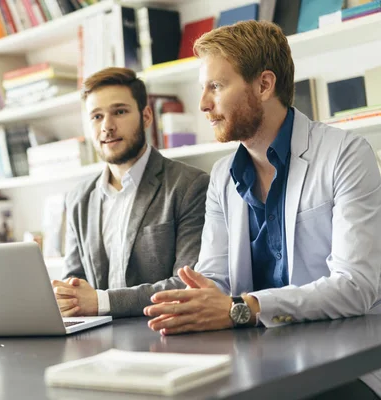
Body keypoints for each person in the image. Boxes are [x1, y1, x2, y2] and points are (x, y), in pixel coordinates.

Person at [143, 20, 381, 398]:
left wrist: (244, 307)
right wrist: (198, 298)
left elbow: (355, 288)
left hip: (343, 361)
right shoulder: (222, 176)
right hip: (254, 356)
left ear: (264, 85)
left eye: (216, 87)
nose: (204, 104)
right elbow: (216, 280)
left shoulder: (345, 155)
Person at [51, 67, 210, 318]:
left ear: (146, 116)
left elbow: (186, 285)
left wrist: (101, 302)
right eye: (96, 116)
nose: (107, 126)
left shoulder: (189, 185)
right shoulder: (79, 198)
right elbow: (74, 282)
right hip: (96, 342)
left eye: (120, 112)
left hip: (162, 336)